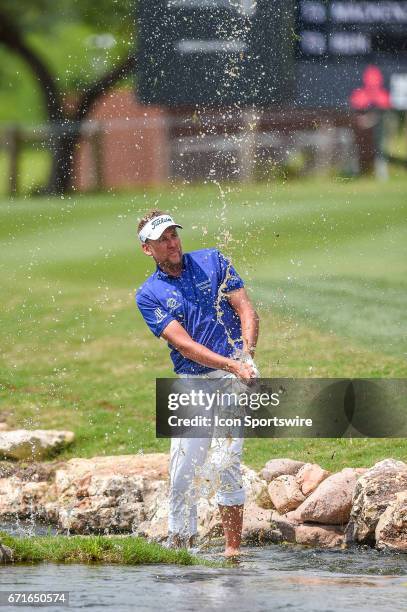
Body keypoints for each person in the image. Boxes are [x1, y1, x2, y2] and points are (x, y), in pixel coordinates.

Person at [135, 209, 260, 557]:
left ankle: (232, 551)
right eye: (163, 239)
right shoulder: (148, 294)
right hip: (193, 382)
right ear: (148, 249)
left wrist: (245, 356)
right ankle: (180, 550)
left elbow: (246, 310)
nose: (172, 242)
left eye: (173, 234)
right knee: (181, 473)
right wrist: (233, 365)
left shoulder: (213, 260)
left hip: (236, 374)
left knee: (227, 464)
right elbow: (184, 345)